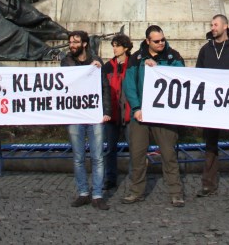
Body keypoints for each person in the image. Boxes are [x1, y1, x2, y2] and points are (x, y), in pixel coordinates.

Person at [121, 25, 186, 207]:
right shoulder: (137, 58)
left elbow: (181, 76)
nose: (161, 43)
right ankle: (136, 191)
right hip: (141, 114)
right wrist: (136, 108)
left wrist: (159, 68)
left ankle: (176, 193)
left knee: (168, 154)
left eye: (162, 40)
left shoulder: (173, 56)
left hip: (164, 115)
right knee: (137, 155)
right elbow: (129, 85)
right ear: (147, 41)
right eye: (156, 41)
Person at [195, 13, 229, 198]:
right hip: (212, 104)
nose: (213, 28)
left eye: (216, 25)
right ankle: (208, 183)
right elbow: (198, 75)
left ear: (225, 26)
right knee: (210, 145)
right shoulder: (206, 49)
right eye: (211, 25)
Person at [61, 31, 110, 210]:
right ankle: (83, 192)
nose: (72, 45)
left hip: (94, 114)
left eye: (75, 42)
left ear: (84, 44)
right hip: (75, 114)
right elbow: (67, 82)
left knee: (97, 157)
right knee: (78, 157)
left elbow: (104, 87)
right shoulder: (66, 61)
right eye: (70, 42)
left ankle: (97, 194)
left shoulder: (96, 61)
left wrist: (106, 111)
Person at [102, 33, 133, 192]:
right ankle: (110, 178)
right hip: (112, 113)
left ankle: (134, 179)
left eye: (117, 46)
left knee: (134, 148)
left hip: (129, 113)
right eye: (113, 46)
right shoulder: (107, 66)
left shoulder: (133, 64)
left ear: (125, 48)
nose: (114, 49)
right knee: (110, 149)